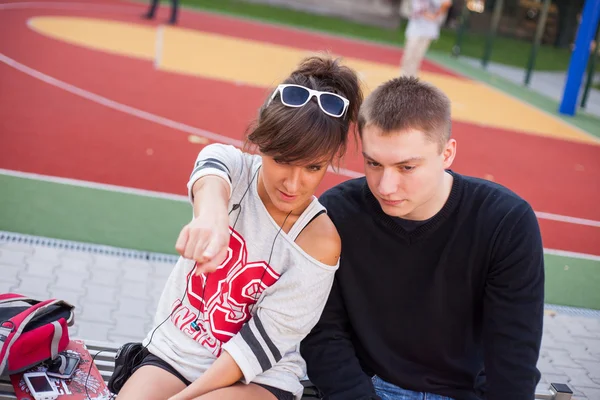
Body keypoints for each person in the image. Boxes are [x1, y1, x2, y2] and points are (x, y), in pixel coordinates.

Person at [106, 55, 362, 400]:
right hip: (175, 354)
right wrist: (211, 217)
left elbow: (258, 348)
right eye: (282, 160)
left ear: (332, 158)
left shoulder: (319, 240)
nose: (293, 183)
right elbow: (210, 173)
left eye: (313, 167)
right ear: (262, 143)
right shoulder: (235, 169)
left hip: (255, 377)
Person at [300, 76, 545, 400]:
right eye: (373, 163)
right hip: (366, 388)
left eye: (406, 167)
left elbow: (513, 355)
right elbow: (323, 334)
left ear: (447, 154)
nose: (385, 186)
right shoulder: (338, 213)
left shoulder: (505, 222)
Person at [400, 0, 452, 77]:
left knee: (418, 55)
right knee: (410, 52)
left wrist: (437, 14)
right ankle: (403, 75)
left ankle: (412, 76)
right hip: (415, 27)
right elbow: (418, 8)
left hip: (429, 30)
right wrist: (428, 15)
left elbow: (447, 3)